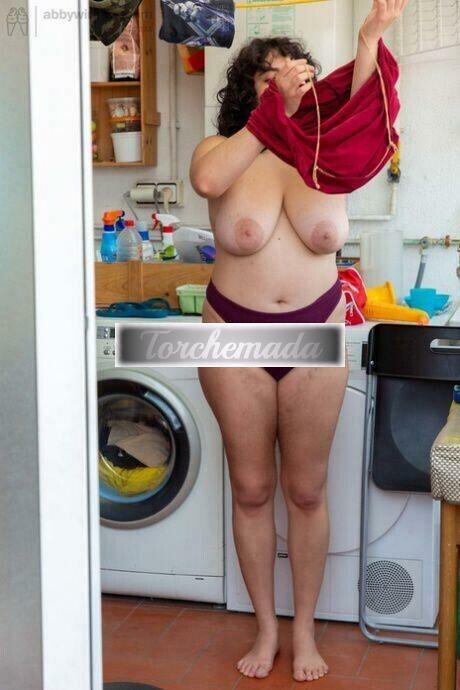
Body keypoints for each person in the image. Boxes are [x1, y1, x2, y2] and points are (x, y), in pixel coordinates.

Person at [190, 0, 408, 682]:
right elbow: (208, 182)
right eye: (270, 73)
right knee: (252, 488)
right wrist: (272, 112)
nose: (287, 80)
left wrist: (370, 38)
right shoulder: (220, 150)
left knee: (307, 492)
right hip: (234, 334)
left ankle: (305, 630)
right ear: (247, 88)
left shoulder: (327, 154)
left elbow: (366, 105)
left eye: (297, 72)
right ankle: (266, 628)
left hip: (316, 332)